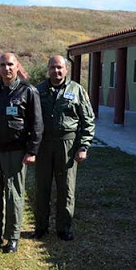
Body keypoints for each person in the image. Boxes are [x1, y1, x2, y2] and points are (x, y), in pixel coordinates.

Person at [0, 53, 43, 253]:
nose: (6, 68)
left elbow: (37, 124)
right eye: (3, 65)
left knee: (14, 195)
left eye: (10, 65)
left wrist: (32, 151)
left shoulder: (28, 91)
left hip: (15, 151)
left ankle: (12, 237)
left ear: (17, 66)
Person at [34, 55, 95, 241]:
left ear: (66, 69)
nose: (56, 71)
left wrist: (83, 145)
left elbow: (88, 120)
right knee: (41, 187)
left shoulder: (77, 90)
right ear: (48, 69)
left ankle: (63, 228)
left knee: (66, 188)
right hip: (44, 144)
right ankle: (41, 227)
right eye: (53, 67)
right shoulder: (38, 90)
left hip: (67, 144)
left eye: (60, 67)